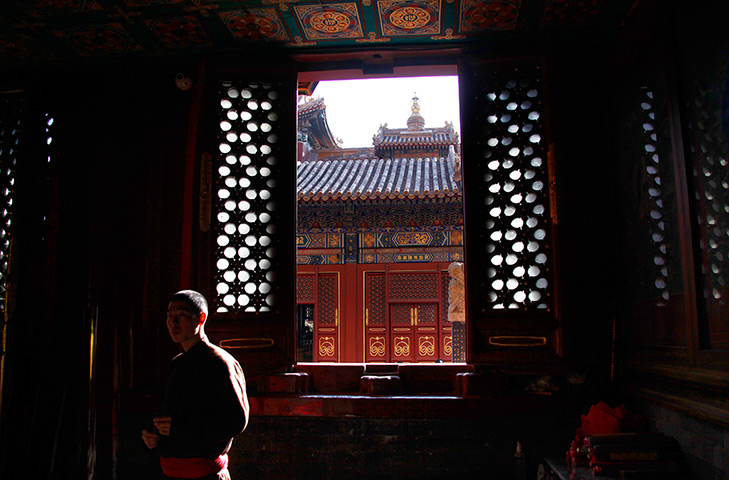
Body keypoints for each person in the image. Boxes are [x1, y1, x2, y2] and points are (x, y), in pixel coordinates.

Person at [142, 290, 249, 480]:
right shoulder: (176, 364)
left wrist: (179, 429)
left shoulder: (220, 362)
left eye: (181, 315)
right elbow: (171, 415)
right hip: (172, 471)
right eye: (170, 316)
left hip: (204, 473)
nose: (173, 323)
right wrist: (154, 435)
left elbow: (235, 421)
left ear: (201, 318)